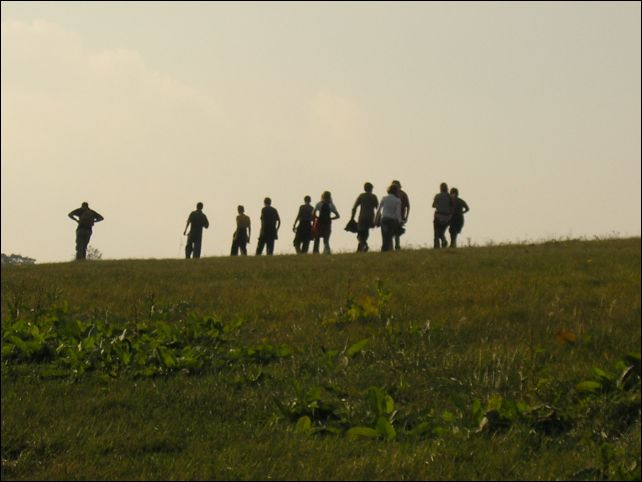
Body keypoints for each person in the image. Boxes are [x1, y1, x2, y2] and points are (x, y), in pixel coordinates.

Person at [350, 182, 379, 252]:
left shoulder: (361, 196)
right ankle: (361, 249)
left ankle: (364, 245)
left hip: (362, 217)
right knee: (365, 233)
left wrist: (352, 218)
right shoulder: (374, 197)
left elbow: (354, 207)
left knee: (359, 234)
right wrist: (378, 219)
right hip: (371, 217)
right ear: (371, 188)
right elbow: (378, 208)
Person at [375, 184, 402, 252]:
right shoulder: (397, 200)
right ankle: (389, 250)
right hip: (392, 221)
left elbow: (379, 210)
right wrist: (400, 221)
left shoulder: (384, 198)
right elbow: (398, 213)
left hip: (384, 219)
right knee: (390, 237)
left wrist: (375, 219)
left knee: (384, 237)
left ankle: (384, 250)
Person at [432, 182, 452, 248]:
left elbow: (433, 205)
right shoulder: (449, 196)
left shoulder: (437, 196)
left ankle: (437, 246)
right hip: (447, 217)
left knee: (436, 233)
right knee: (441, 232)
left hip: (438, 216)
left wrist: (439, 205)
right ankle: (443, 242)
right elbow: (452, 207)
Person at [391, 180, 410, 250]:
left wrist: (406, 216)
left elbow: (408, 206)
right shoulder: (392, 195)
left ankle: (397, 246)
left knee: (396, 232)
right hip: (392, 216)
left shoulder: (403, 194)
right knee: (393, 232)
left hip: (400, 216)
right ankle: (394, 246)